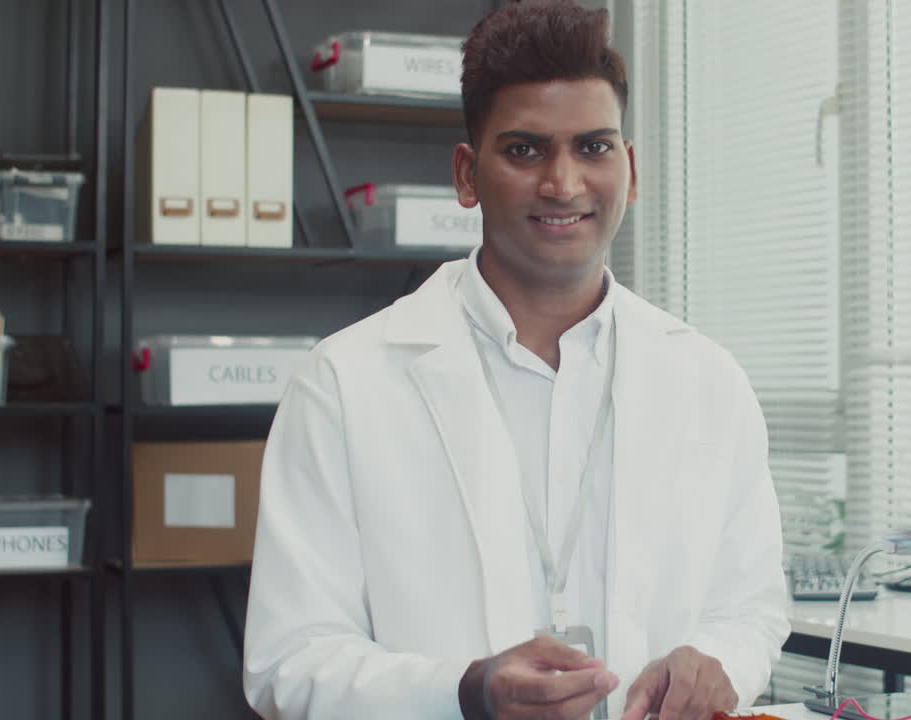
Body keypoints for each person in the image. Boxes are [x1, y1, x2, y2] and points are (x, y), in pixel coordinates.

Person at [242, 2, 790, 718]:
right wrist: (467, 691)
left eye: (592, 147)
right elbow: (290, 659)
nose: (563, 184)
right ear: (467, 175)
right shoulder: (344, 383)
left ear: (629, 167)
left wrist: (718, 663)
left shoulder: (707, 379)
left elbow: (752, 604)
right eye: (525, 150)